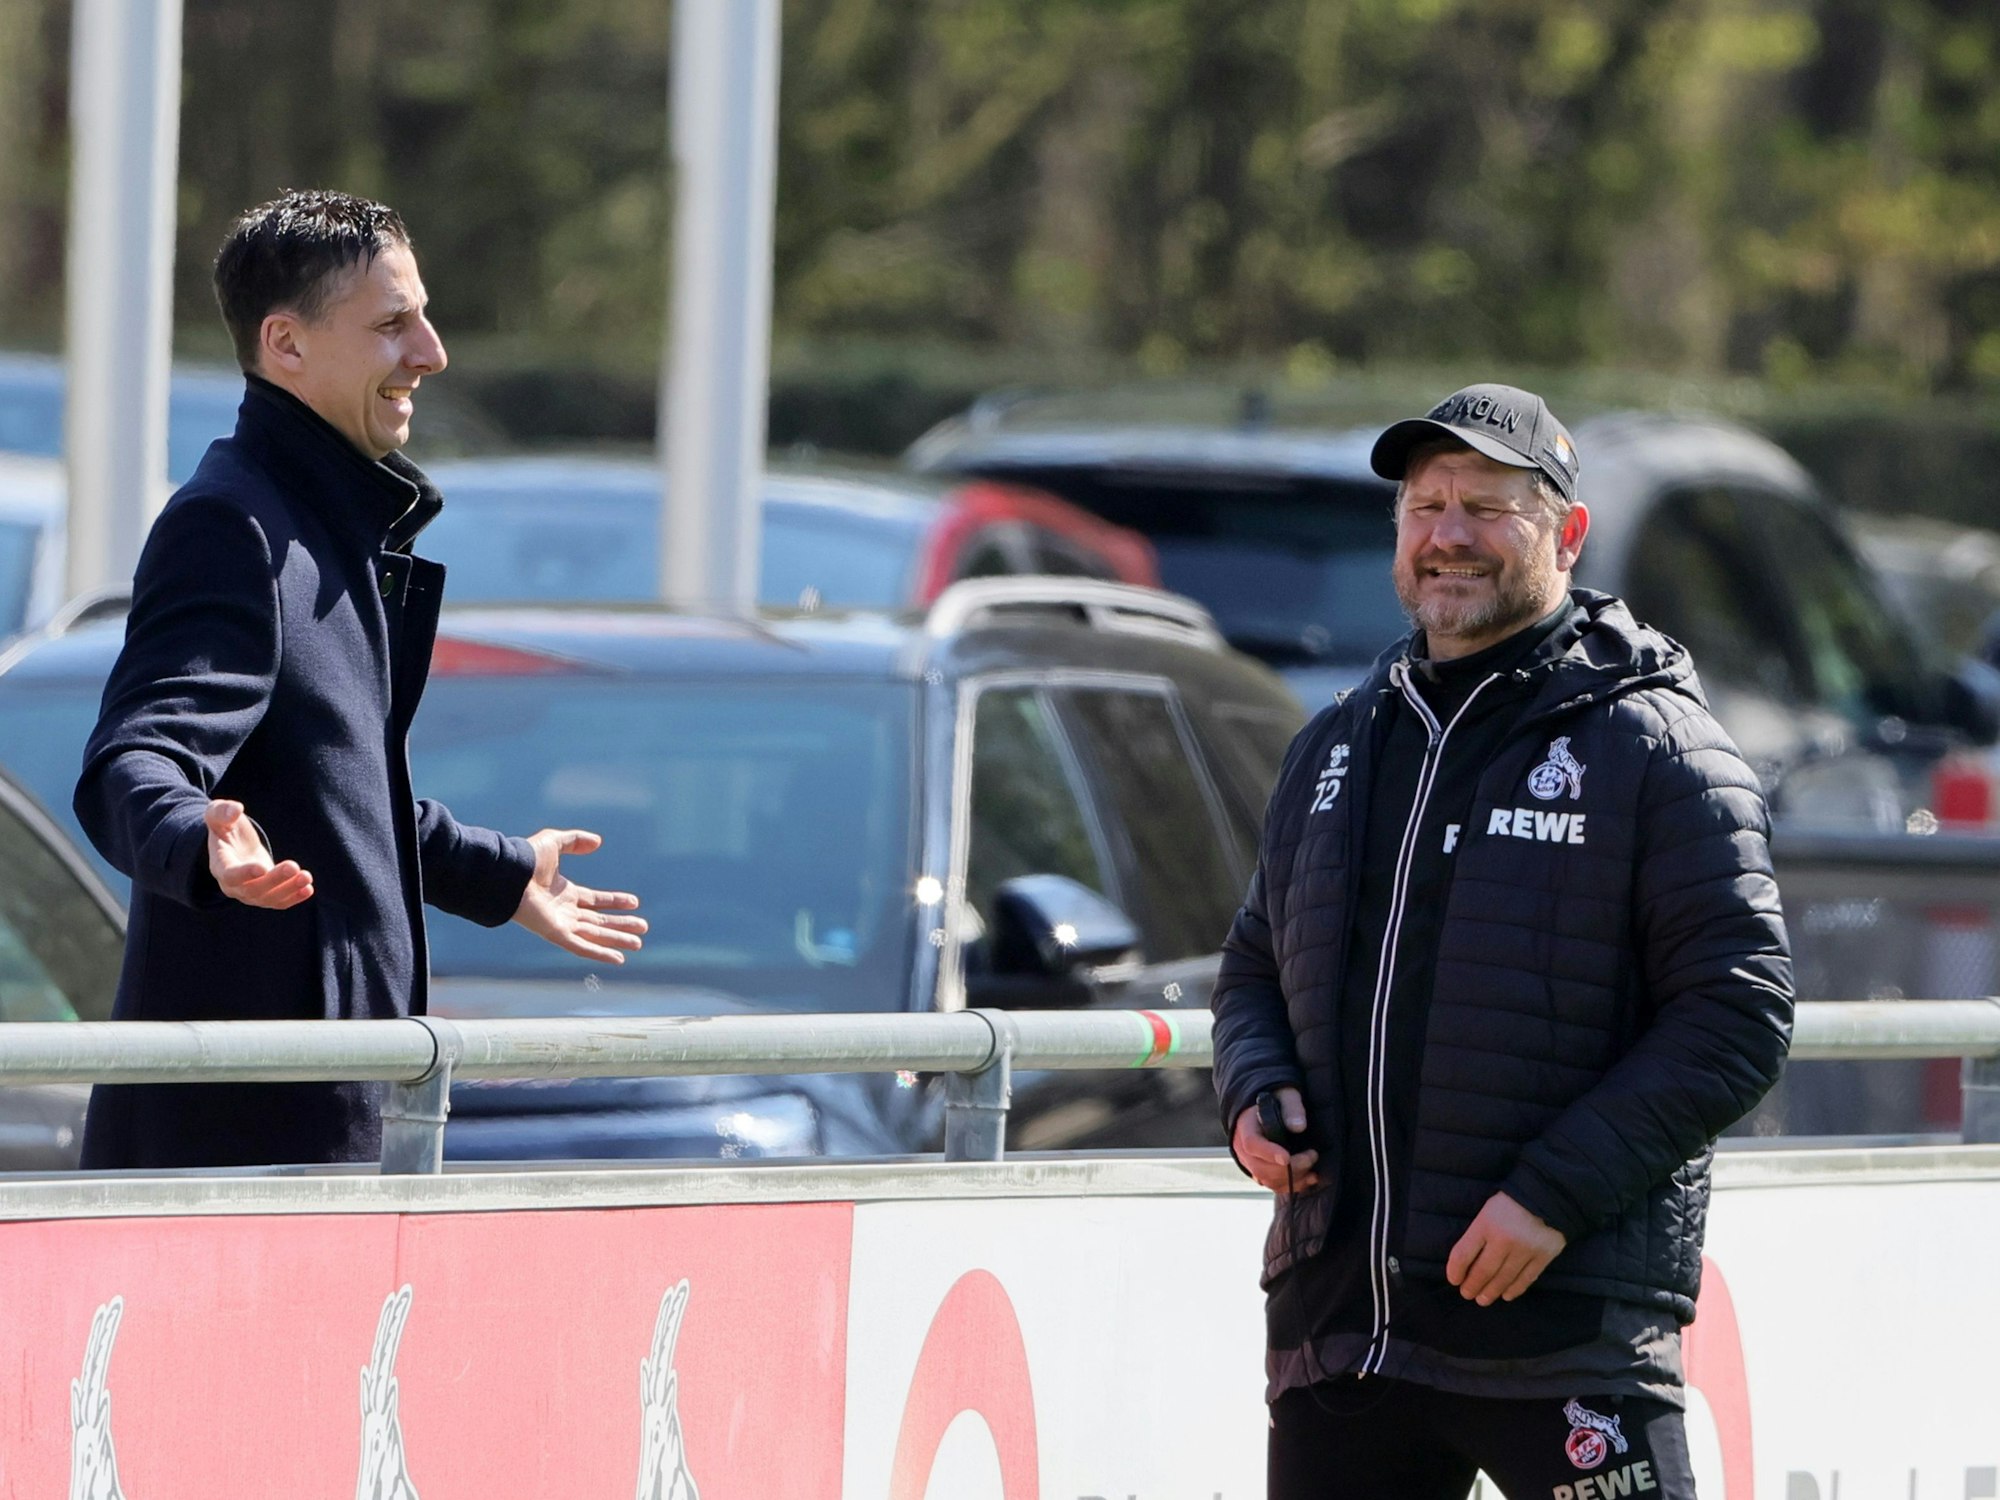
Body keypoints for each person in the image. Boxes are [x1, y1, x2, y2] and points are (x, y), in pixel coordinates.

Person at [1210, 383, 1793, 1498]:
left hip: (1561, 1333)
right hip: (1346, 1330)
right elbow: (1250, 965)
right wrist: (1252, 1091)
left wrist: (1548, 1199)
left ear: (1565, 534)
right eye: (1424, 506)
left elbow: (1735, 1014)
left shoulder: (1657, 748)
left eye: (1487, 507)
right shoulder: (1337, 741)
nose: (1447, 537)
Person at [73, 190, 647, 1169]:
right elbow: (133, 758)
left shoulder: (317, 524)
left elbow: (335, 791)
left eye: (422, 316)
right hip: (244, 1164)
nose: (430, 352)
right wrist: (194, 843)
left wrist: (499, 873)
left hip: (320, 1141)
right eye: (392, 325)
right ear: (286, 345)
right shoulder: (232, 529)